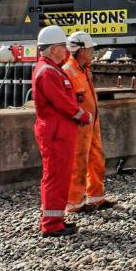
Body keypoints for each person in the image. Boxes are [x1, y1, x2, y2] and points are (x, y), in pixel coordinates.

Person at [32, 25, 93, 237]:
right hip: (56, 132)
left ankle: (55, 219)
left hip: (59, 132)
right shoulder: (48, 72)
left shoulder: (50, 69)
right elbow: (62, 103)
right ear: (54, 49)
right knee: (55, 176)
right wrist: (82, 115)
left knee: (60, 175)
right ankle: (50, 224)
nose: (66, 51)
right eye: (62, 47)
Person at [62, 31, 116, 214]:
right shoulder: (68, 71)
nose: (92, 51)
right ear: (82, 50)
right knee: (78, 163)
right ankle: (74, 203)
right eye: (90, 48)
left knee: (96, 159)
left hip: (91, 123)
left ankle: (95, 197)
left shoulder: (84, 70)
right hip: (78, 125)